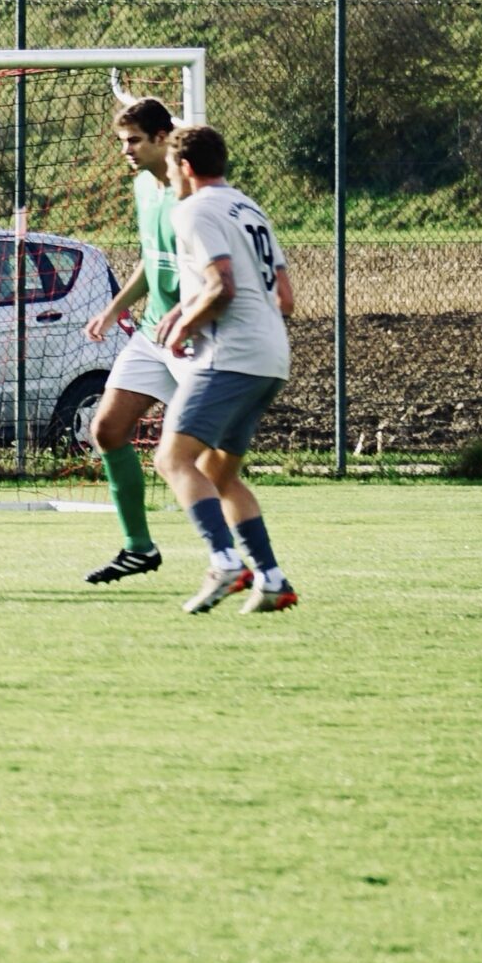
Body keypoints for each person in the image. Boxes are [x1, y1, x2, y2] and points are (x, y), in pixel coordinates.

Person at [153, 124, 300, 616]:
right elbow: (285, 298)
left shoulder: (193, 210)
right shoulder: (248, 208)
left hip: (229, 356)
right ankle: (272, 580)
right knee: (218, 474)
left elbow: (223, 287)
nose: (170, 177)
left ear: (185, 167)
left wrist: (183, 326)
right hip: (270, 357)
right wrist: (189, 307)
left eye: (171, 167)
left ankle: (224, 561)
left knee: (172, 459)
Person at [79, 95, 183, 584]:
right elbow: (152, 258)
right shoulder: (143, 186)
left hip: (196, 341)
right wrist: (114, 309)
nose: (126, 151)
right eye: (122, 141)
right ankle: (138, 548)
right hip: (152, 334)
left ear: (163, 138)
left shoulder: (193, 192)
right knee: (107, 430)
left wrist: (188, 314)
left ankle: (237, 559)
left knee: (197, 461)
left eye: (134, 141)